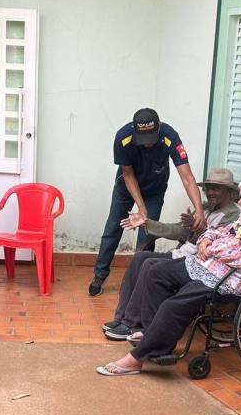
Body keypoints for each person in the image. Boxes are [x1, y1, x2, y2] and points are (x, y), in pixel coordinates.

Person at [96, 171, 241, 376]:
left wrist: (210, 247)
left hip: (230, 281)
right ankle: (155, 339)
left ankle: (136, 359)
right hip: (208, 266)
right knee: (156, 272)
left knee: (173, 304)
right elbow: (217, 232)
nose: (240, 201)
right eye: (240, 196)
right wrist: (206, 240)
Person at [102, 167, 241, 341]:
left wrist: (199, 228)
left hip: (199, 263)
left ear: (229, 191)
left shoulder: (234, 215)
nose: (210, 192)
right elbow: (178, 230)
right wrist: (147, 223)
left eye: (216, 188)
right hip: (180, 255)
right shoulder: (205, 208)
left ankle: (133, 324)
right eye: (208, 188)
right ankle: (122, 317)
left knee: (149, 264)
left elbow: (219, 243)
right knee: (139, 258)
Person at [89, 108, 207, 297]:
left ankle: (138, 281)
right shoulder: (123, 138)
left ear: (158, 129)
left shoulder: (169, 136)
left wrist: (199, 210)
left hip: (154, 189)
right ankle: (99, 276)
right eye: (143, 140)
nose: (147, 144)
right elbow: (128, 174)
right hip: (126, 188)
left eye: (151, 139)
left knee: (148, 233)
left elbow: (187, 177)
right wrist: (141, 207)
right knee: (113, 228)